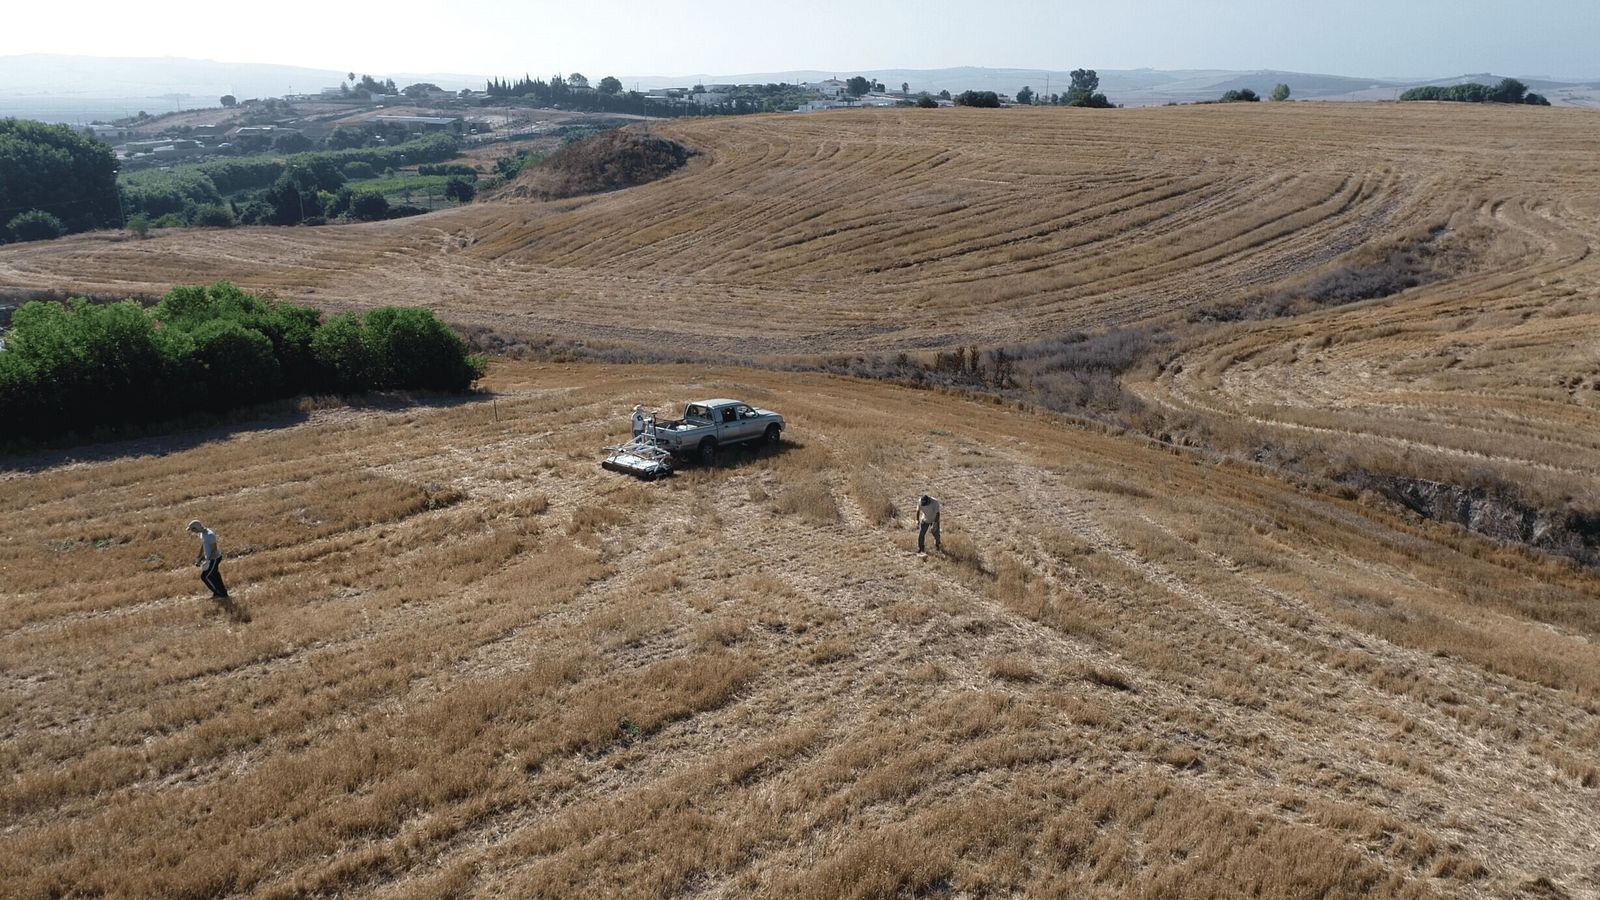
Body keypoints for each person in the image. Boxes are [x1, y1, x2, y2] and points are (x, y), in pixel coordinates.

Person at [187, 519, 228, 600]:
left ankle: (219, 594)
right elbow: (203, 545)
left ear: (196, 528)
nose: (192, 531)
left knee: (206, 576)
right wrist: (199, 557)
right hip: (210, 559)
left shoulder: (209, 535)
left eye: (192, 529)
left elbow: (214, 549)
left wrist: (208, 561)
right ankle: (222, 593)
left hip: (214, 558)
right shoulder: (202, 534)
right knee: (214, 575)